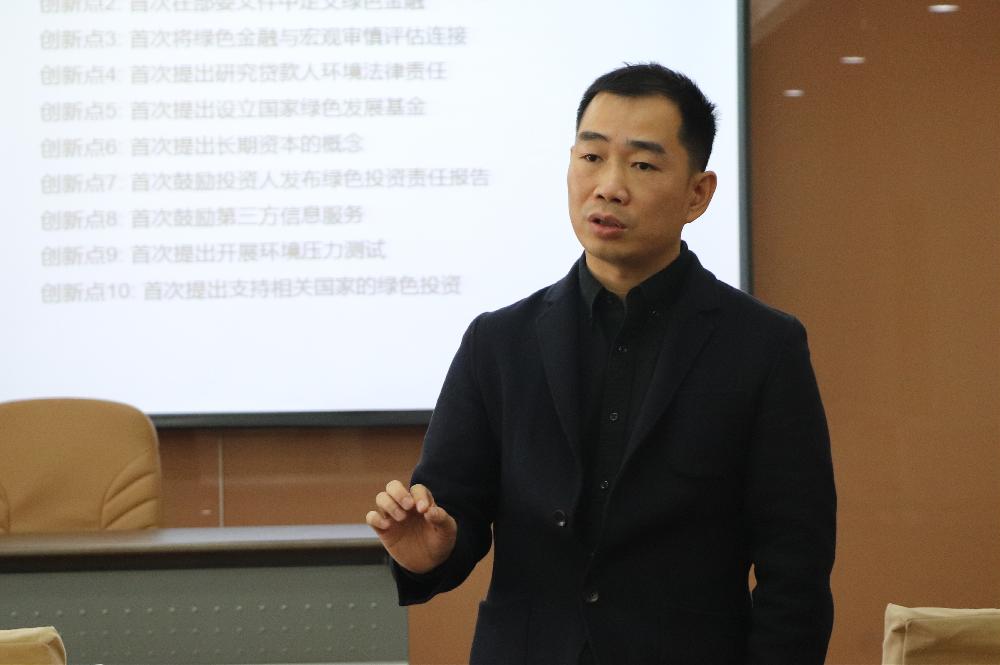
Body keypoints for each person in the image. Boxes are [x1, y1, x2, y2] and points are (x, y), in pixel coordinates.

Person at [366, 63, 836, 665]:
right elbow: (452, 511)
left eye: (642, 165)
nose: (609, 186)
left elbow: (795, 570)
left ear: (698, 193)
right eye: (591, 157)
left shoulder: (763, 347)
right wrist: (430, 553)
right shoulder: (499, 342)